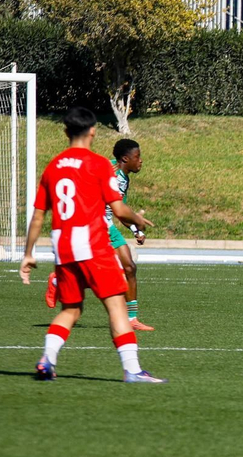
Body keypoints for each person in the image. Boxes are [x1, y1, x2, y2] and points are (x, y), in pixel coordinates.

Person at [19, 107, 163, 384]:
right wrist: (138, 221)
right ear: (93, 132)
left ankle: (47, 360)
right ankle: (132, 369)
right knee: (116, 305)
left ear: (65, 132)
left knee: (71, 309)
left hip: (62, 245)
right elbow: (118, 210)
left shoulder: (54, 166)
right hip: (91, 242)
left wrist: (28, 254)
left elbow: (38, 214)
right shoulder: (98, 164)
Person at [108, 137, 153, 332]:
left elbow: (121, 210)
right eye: (138, 156)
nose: (141, 160)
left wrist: (136, 229)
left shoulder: (124, 179)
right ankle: (59, 281)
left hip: (107, 225)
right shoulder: (107, 169)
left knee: (129, 268)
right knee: (103, 274)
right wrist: (137, 221)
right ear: (126, 159)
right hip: (92, 223)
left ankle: (132, 318)